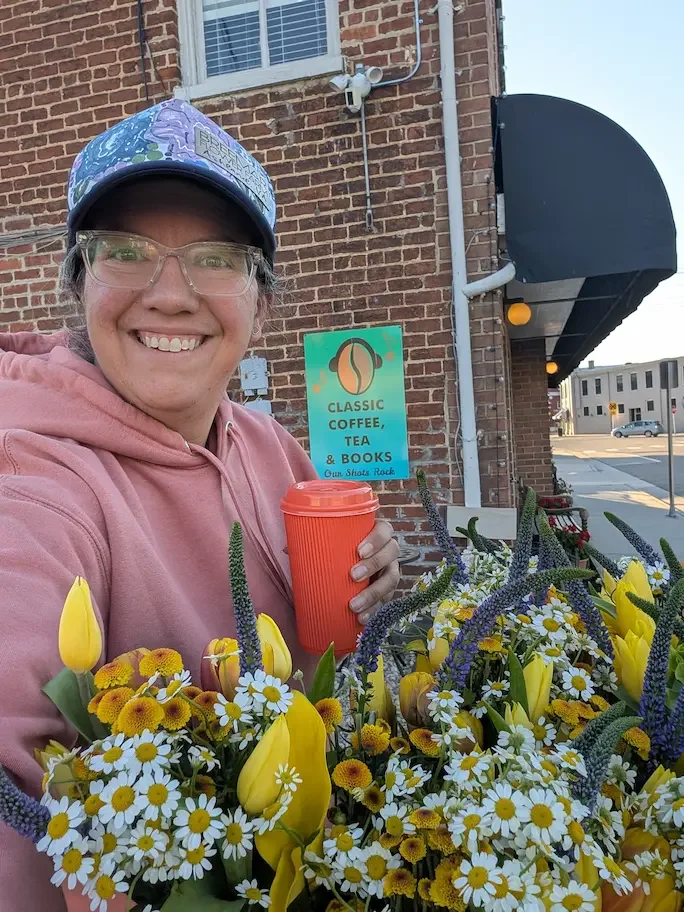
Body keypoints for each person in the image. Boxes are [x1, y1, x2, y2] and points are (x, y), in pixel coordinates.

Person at [0, 98, 400, 910]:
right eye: (125, 251)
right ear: (79, 283)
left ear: (260, 301)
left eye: (216, 258)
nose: (172, 295)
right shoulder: (37, 471)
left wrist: (373, 590)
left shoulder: (270, 445)